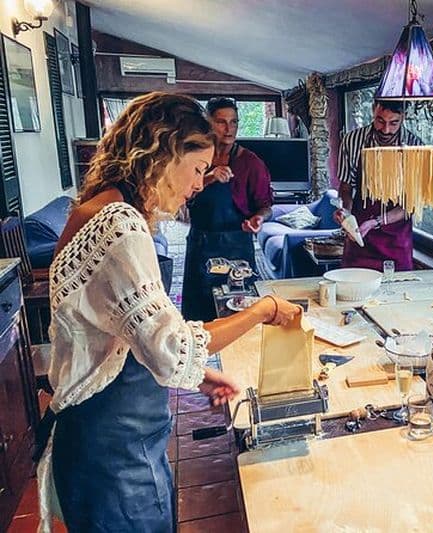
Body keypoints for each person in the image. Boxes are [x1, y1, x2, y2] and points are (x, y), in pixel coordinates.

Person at [37, 92, 302, 531]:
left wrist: (199, 374)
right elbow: (171, 347)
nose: (198, 184)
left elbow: (131, 333)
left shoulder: (99, 207)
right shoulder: (120, 225)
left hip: (105, 436)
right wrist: (262, 310)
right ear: (163, 152)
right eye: (197, 169)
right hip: (114, 449)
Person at [182, 96, 273, 321]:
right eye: (221, 122)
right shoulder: (193, 158)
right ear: (208, 123)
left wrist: (258, 219)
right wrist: (209, 178)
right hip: (201, 245)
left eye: (234, 122)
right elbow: (177, 198)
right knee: (198, 319)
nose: (228, 128)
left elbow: (266, 206)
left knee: (238, 316)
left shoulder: (251, 163)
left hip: (237, 248)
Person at [334, 99, 422, 271]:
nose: (386, 130)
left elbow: (411, 205)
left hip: (396, 241)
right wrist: (346, 213)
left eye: (393, 123)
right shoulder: (352, 141)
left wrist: (376, 222)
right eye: (380, 121)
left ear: (403, 117)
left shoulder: (415, 147)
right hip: (359, 238)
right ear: (373, 111)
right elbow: (345, 188)